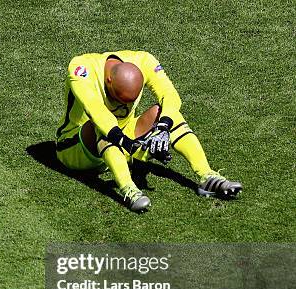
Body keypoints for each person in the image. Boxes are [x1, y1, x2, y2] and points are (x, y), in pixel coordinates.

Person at [55, 50, 242, 211]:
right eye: (119, 100)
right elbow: (96, 111)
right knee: (100, 126)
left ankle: (206, 175)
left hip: (120, 144)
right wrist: (126, 143)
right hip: (75, 147)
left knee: (167, 113)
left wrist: (163, 126)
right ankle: (129, 190)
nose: (124, 107)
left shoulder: (144, 61)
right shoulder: (81, 69)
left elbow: (169, 95)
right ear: (108, 80)